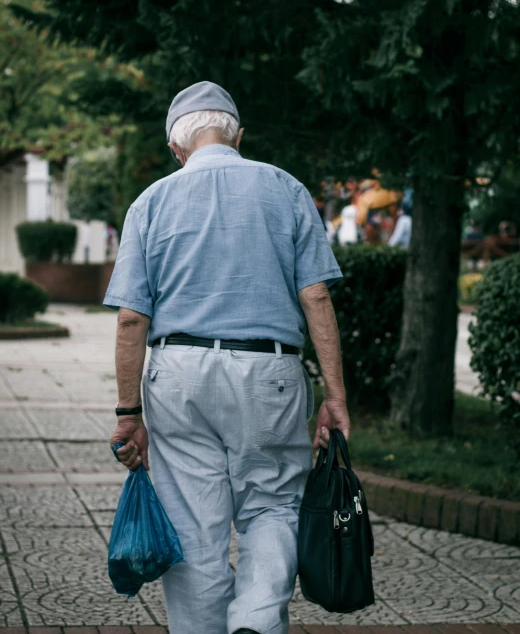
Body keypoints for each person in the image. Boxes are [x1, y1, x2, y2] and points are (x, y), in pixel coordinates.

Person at [103, 81, 350, 634]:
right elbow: (316, 296)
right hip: (271, 373)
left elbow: (130, 319)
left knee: (193, 523)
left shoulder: (150, 202)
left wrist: (128, 412)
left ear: (176, 148)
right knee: (272, 505)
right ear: (238, 136)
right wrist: (334, 396)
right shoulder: (285, 189)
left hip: (179, 375)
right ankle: (257, 622)